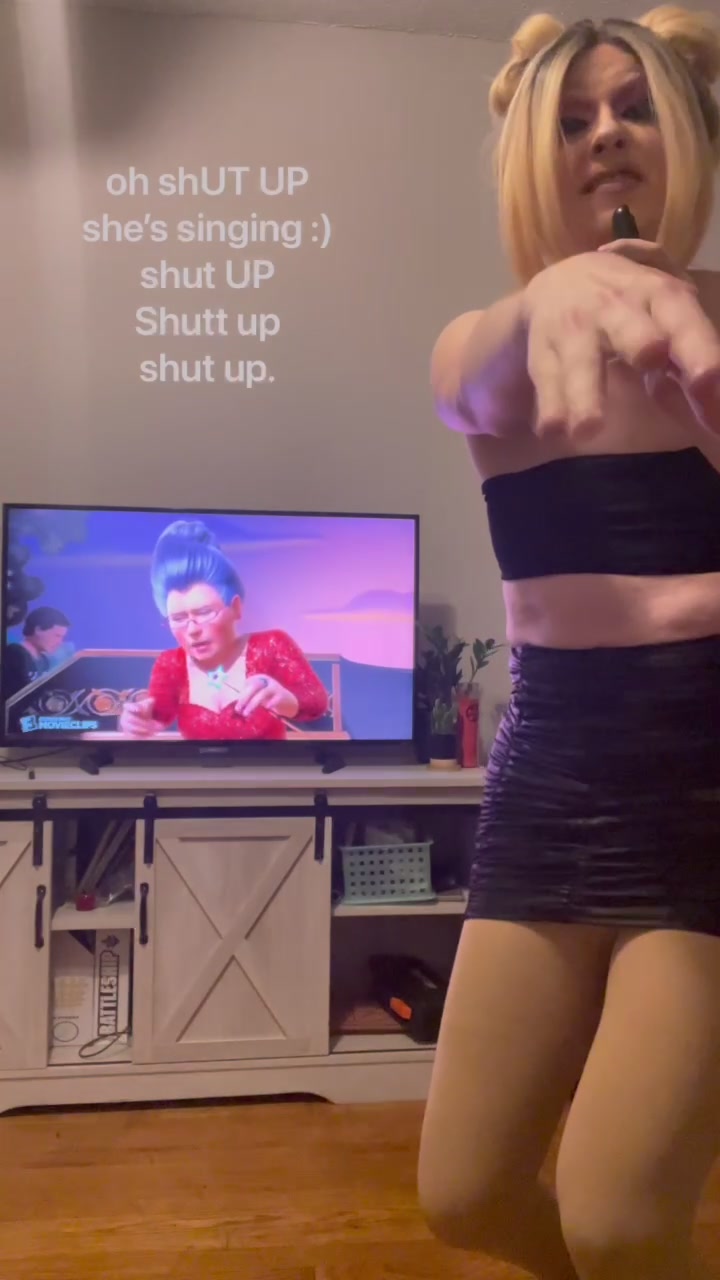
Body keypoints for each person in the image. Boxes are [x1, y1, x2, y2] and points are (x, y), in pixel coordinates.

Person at [418, 8, 720, 1280]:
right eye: (576, 117)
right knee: (467, 1192)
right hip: (550, 784)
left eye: (637, 108)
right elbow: (475, 381)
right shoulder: (480, 343)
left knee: (618, 1218)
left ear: (688, 135)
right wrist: (551, 298)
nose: (608, 135)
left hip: (707, 790)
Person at [119, 520, 329, 740]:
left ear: (235, 608)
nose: (192, 630)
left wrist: (285, 700)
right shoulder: (171, 664)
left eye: (204, 613)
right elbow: (156, 713)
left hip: (270, 763)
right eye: (178, 618)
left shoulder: (271, 646)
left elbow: (316, 702)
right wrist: (135, 718)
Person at [3, 606, 71, 699]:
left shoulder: (44, 661)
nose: (59, 642)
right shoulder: (15, 653)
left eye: (62, 637)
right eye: (57, 636)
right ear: (38, 629)